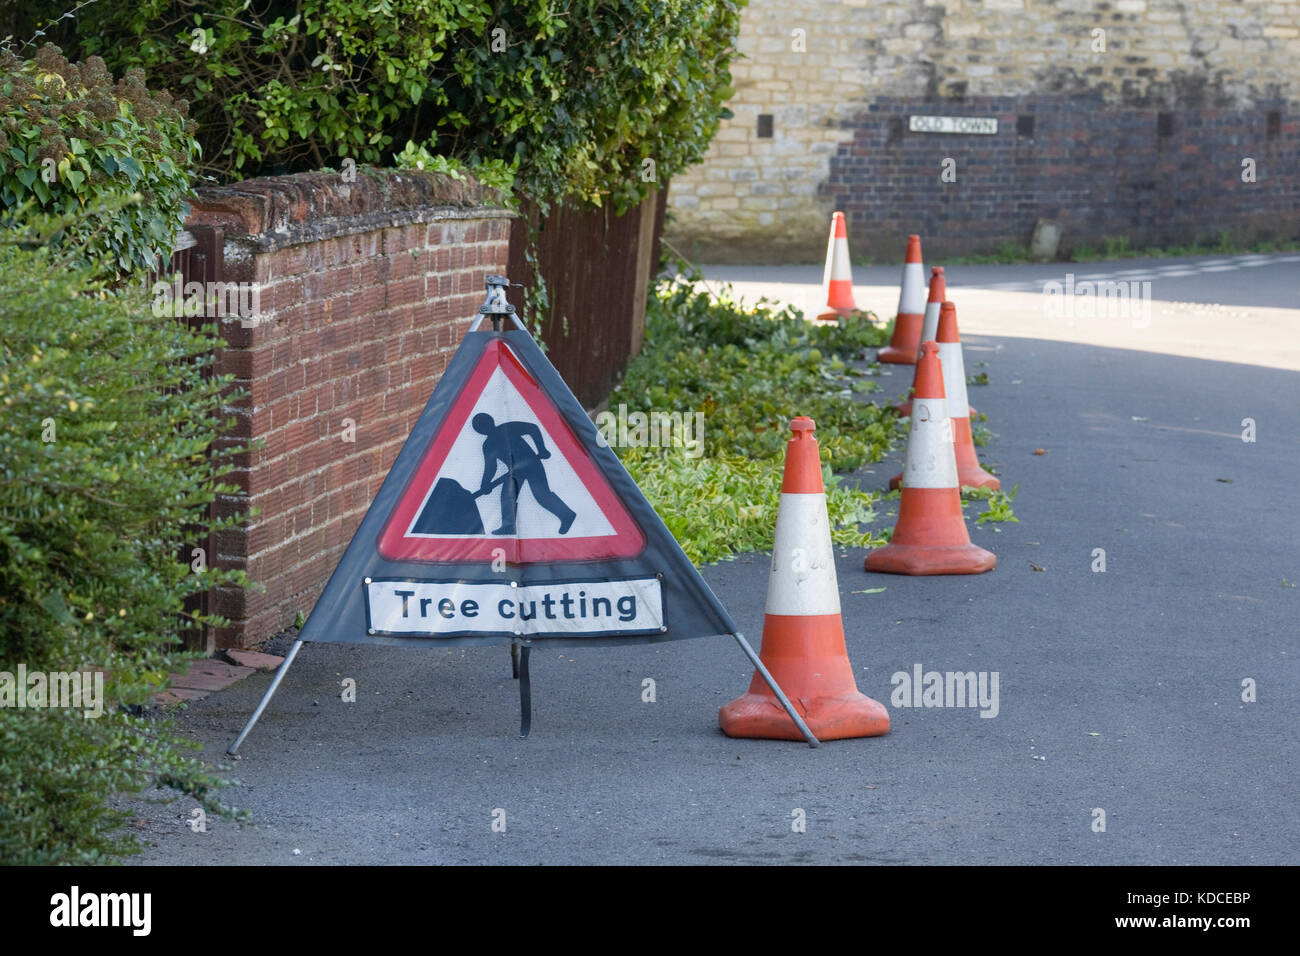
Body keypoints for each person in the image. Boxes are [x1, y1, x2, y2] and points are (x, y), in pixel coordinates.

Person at [472, 413, 576, 535]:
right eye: (479, 427)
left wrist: (541, 449)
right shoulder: (488, 445)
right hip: (514, 472)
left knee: (542, 495)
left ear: (490, 422)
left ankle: (567, 515)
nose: (483, 429)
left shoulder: (507, 428)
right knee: (507, 497)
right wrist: (485, 484)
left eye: (483, 425)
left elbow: (533, 428)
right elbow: (491, 467)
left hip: (531, 464)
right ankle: (508, 526)